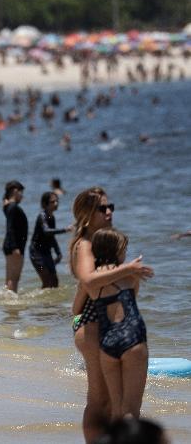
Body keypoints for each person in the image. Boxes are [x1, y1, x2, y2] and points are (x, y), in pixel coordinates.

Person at [69, 187, 152, 443]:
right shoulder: (84, 244)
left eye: (110, 207)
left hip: (97, 325)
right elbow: (88, 280)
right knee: (101, 400)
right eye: (102, 208)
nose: (109, 212)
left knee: (107, 401)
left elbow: (79, 298)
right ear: (87, 214)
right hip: (93, 325)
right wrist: (128, 269)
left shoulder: (100, 242)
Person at [91, 228, 148, 421]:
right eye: (124, 249)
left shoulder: (91, 281)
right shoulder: (131, 276)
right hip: (132, 338)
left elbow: (76, 308)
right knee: (132, 411)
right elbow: (133, 300)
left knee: (116, 411)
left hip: (107, 342)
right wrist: (132, 269)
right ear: (116, 251)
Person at [29, 192, 72, 288]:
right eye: (53, 202)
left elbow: (51, 237)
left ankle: (52, 303)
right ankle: (42, 302)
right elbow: (46, 231)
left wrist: (58, 253)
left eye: (57, 201)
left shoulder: (51, 218)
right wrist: (65, 230)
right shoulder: (42, 216)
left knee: (55, 281)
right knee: (47, 280)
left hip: (46, 253)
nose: (56, 203)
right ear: (45, 204)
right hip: (36, 254)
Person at [2, 180, 28, 293]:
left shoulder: (9, 207)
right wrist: (15, 247)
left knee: (11, 277)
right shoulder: (12, 207)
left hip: (11, 245)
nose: (22, 196)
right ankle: (12, 303)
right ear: (15, 191)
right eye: (21, 193)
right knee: (14, 278)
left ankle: (9, 302)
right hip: (14, 246)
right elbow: (10, 228)